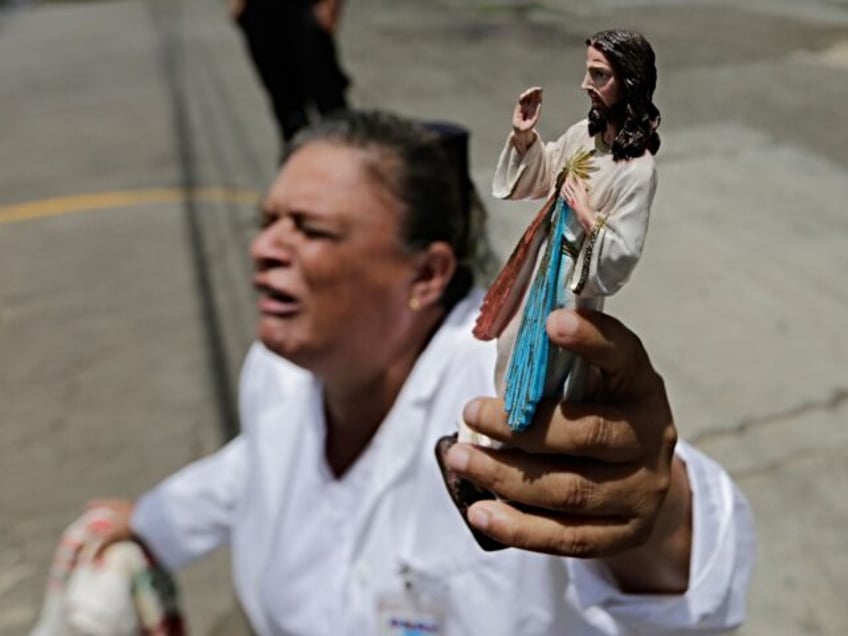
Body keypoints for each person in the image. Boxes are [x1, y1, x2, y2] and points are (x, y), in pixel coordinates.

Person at [90, 110, 753, 634]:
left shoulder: (504, 393)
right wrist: (150, 522)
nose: (266, 248)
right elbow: (255, 466)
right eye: (266, 223)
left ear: (427, 273)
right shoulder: (279, 373)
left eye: (310, 229)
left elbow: (678, 557)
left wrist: (657, 510)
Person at [474, 29, 661, 431]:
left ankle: (535, 439)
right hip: (544, 260)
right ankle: (502, 430)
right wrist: (525, 137)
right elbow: (546, 170)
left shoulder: (638, 170)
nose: (585, 85)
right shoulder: (583, 134)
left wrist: (588, 215)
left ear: (628, 81)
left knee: (557, 360)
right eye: (587, 73)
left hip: (574, 277)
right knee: (512, 340)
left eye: (598, 75)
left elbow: (624, 249)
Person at [230, 0, 349, 156]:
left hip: (306, 8)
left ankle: (345, 159)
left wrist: (331, 5)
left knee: (326, 93)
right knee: (283, 98)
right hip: (259, 10)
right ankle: (298, 162)